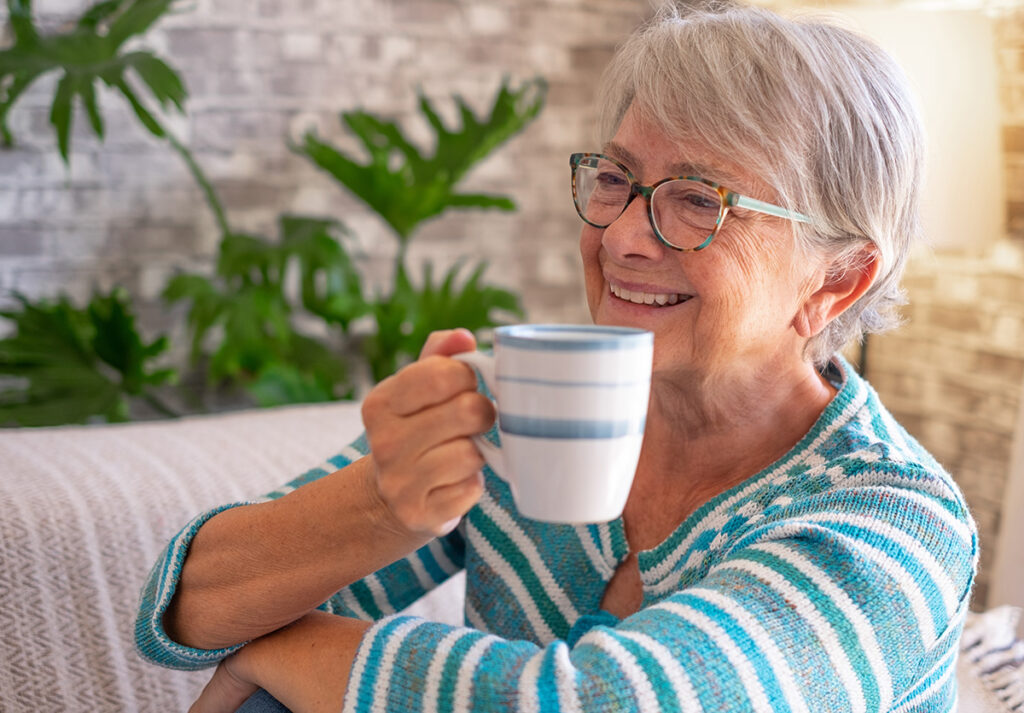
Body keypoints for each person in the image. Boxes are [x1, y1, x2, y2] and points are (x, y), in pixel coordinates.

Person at [135, 2, 978, 711]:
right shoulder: (529, 394)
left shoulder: (893, 527)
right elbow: (184, 612)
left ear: (837, 280)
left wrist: (278, 652)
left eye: (695, 200)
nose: (620, 235)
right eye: (614, 178)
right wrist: (383, 504)